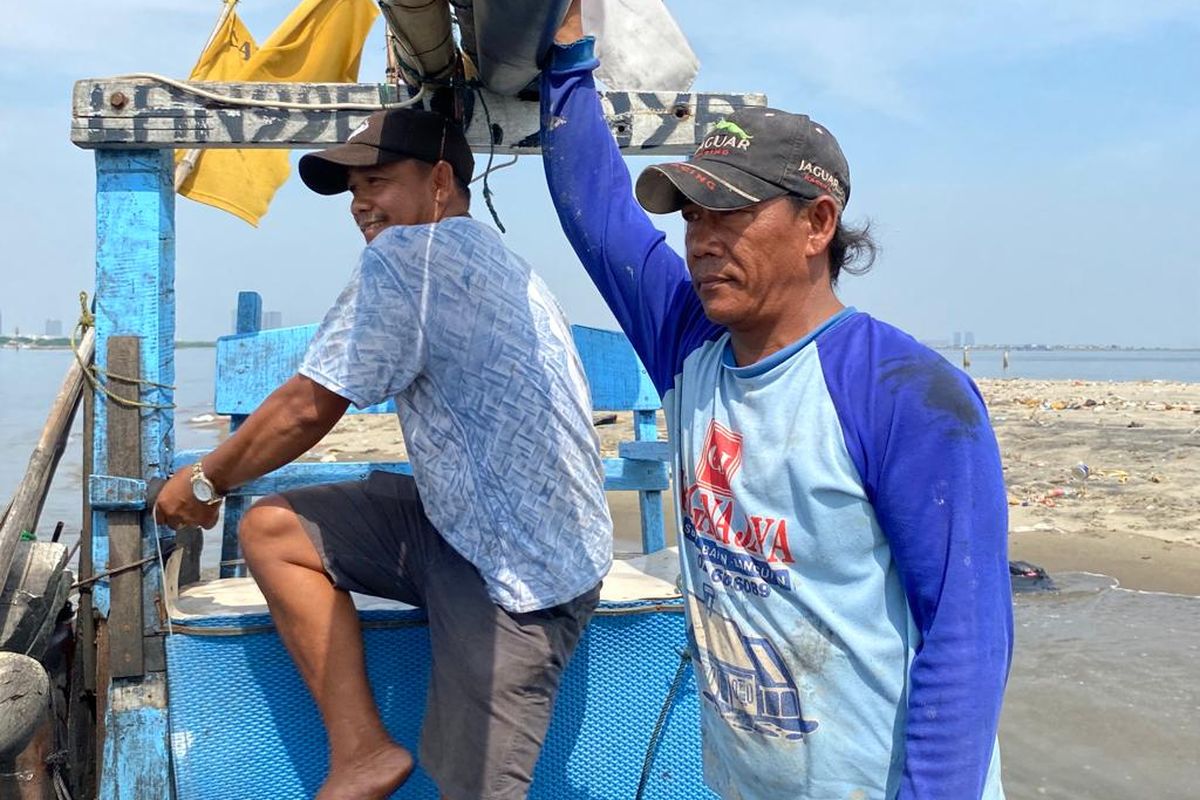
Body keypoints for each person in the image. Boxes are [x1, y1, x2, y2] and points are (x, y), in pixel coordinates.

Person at [540, 5, 1012, 799]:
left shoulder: (908, 395)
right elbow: (598, 208)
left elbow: (967, 640)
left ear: (816, 223)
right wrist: (564, 57)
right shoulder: (691, 350)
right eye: (693, 215)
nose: (702, 238)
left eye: (732, 211)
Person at [155, 107, 613, 800]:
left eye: (377, 180)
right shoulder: (495, 256)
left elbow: (309, 407)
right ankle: (362, 752)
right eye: (353, 191)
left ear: (439, 180)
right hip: (464, 525)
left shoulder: (412, 257)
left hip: (523, 574)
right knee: (275, 530)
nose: (362, 204)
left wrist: (203, 482)